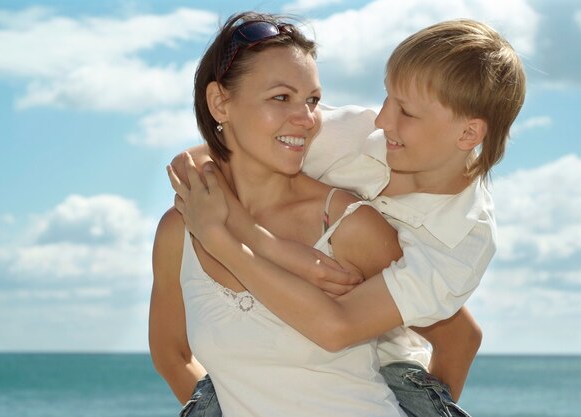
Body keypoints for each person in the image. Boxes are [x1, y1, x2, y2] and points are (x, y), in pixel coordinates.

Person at [171, 18, 526, 417]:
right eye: (388, 98)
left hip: (392, 368)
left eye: (405, 111)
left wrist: (221, 239)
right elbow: (206, 157)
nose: (381, 119)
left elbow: (339, 328)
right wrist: (275, 247)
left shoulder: (462, 239)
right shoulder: (355, 135)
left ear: (467, 135)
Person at [150, 11, 410, 417]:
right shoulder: (178, 231)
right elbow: (172, 353)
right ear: (220, 102)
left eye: (312, 100)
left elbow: (457, 336)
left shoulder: (346, 224)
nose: (306, 119)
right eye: (281, 97)